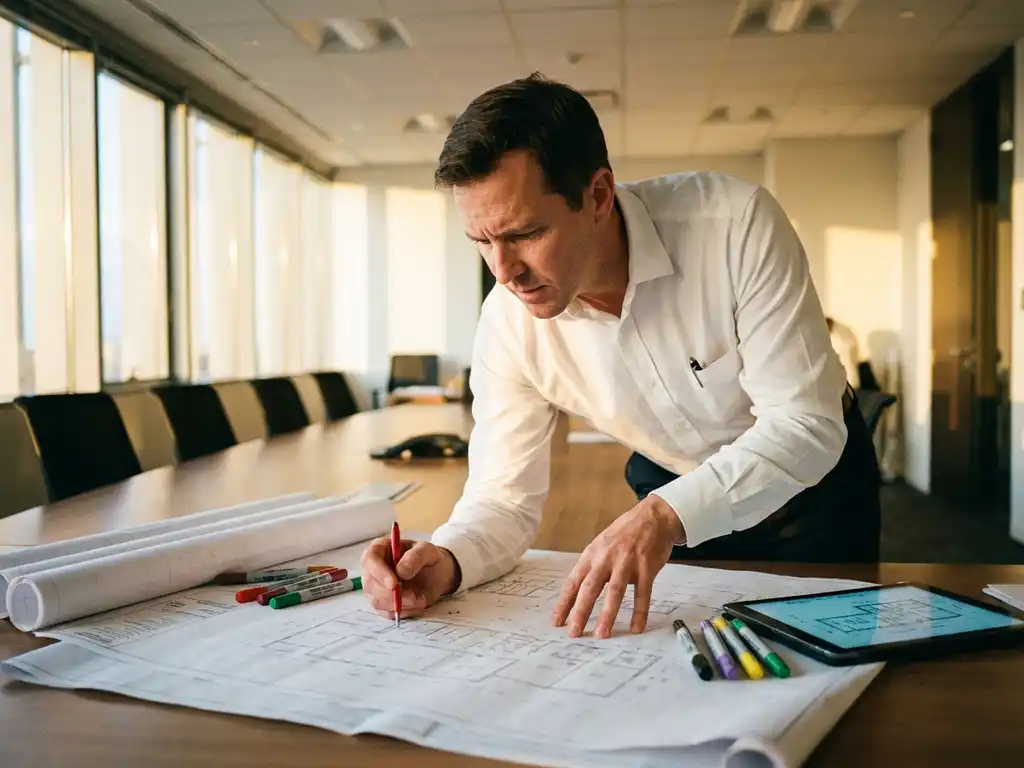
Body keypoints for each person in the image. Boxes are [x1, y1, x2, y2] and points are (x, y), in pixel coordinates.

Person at [360, 74, 881, 640]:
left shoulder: (735, 226)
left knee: (834, 661)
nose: (504, 273)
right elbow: (503, 499)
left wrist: (664, 514)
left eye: (526, 233)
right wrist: (449, 560)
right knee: (698, 662)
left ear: (599, 195)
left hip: (811, 489)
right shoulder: (508, 324)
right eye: (482, 242)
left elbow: (804, 422)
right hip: (671, 490)